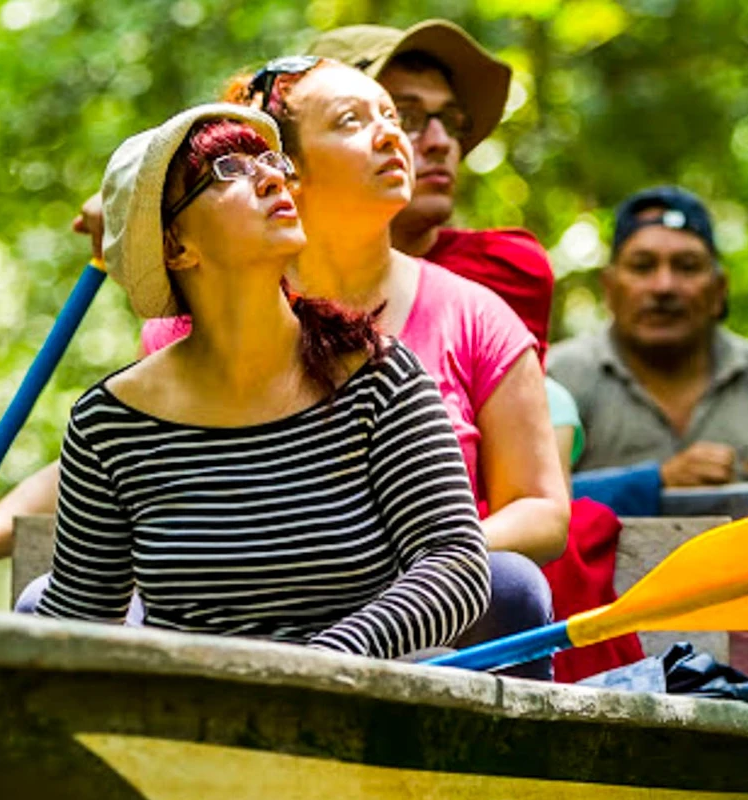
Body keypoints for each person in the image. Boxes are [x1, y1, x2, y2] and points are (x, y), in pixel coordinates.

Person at [34, 103, 490, 659]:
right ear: (176, 245)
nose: (273, 175)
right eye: (229, 171)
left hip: (367, 710)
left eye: (270, 160)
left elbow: (455, 563)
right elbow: (80, 620)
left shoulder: (378, 375)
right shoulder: (109, 425)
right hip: (197, 722)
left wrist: (323, 663)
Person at [308, 20, 583, 468]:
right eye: (405, 117)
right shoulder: (259, 276)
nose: (441, 143)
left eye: (451, 121)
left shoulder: (502, 270)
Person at [549, 186, 748, 506]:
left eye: (687, 266)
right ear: (609, 288)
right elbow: (518, 504)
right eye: (642, 266)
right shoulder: (558, 378)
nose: (664, 286)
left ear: (719, 289)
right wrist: (654, 482)